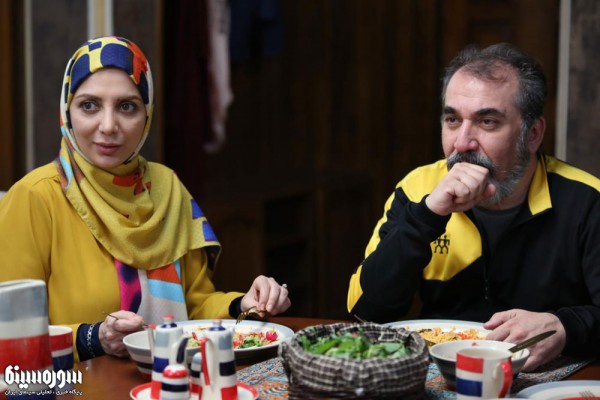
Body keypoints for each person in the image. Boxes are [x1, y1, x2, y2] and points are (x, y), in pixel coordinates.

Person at [0, 36, 290, 362]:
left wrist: (243, 305)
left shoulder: (167, 188)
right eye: (89, 105)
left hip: (172, 381)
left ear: (147, 114)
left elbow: (195, 308)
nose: (108, 126)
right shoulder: (35, 198)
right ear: (67, 111)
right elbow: (11, 335)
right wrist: (94, 338)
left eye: (127, 106)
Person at [347, 43, 600, 371]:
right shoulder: (418, 189)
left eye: (488, 122)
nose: (462, 143)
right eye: (452, 119)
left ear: (533, 134)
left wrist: (565, 326)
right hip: (441, 375)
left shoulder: (587, 199)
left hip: (553, 377)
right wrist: (427, 215)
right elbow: (365, 312)